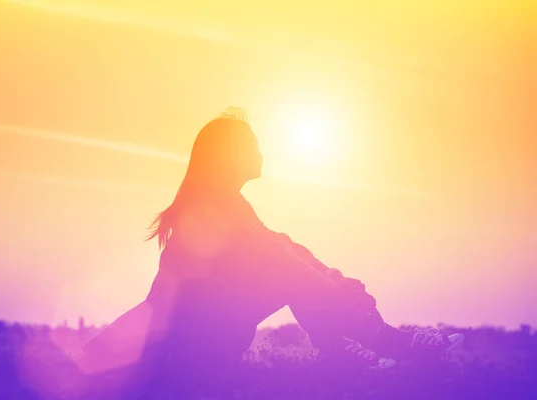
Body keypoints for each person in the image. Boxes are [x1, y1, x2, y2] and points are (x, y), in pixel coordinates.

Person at [80, 107, 464, 391]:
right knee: (288, 270)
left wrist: (334, 281)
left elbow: (282, 250)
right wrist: (340, 289)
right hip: (187, 353)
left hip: (195, 344)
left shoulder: (227, 205)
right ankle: (382, 344)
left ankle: (351, 346)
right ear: (231, 156)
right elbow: (281, 264)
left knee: (288, 256)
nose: (261, 154)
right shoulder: (213, 209)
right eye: (254, 146)